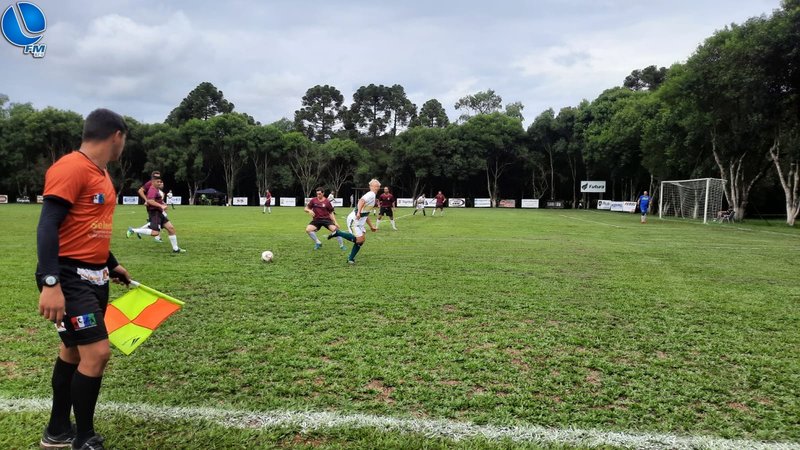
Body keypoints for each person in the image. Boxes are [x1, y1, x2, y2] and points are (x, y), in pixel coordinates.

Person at [36, 108, 132, 450]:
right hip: (68, 277)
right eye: (124, 140)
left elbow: (87, 228)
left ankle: (58, 430)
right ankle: (83, 437)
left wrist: (113, 263)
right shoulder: (71, 167)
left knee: (74, 352)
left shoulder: (101, 174)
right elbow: (48, 224)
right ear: (116, 136)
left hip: (96, 276)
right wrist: (50, 283)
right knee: (98, 353)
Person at [127, 178, 186, 253]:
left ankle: (176, 249)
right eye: (158, 182)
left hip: (160, 213)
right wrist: (160, 206)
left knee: (171, 228)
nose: (160, 183)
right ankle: (133, 230)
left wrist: (162, 204)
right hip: (155, 213)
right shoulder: (152, 190)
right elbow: (150, 200)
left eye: (160, 182)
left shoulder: (157, 190)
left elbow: (156, 200)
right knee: (155, 233)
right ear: (153, 182)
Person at [328, 179, 380, 264]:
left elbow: (366, 214)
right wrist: (358, 212)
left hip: (360, 222)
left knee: (361, 240)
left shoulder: (373, 196)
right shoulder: (370, 194)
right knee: (359, 240)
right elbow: (361, 201)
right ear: (370, 187)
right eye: (375, 186)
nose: (376, 187)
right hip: (354, 220)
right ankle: (338, 233)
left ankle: (350, 259)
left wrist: (371, 226)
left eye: (378, 186)